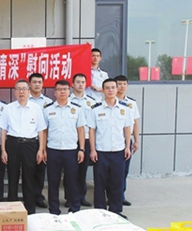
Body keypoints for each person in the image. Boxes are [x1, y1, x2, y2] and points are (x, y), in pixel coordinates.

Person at [0, 79, 47, 215]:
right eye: (18, 89)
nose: (21, 92)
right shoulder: (8, 108)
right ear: (15, 92)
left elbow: (41, 130)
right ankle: (12, 210)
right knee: (12, 177)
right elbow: (3, 130)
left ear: (29, 91)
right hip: (13, 144)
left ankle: (30, 210)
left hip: (30, 145)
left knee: (29, 178)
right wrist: (3, 150)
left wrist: (41, 149)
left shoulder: (36, 108)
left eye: (24, 89)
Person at [88, 78, 133, 217]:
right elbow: (92, 131)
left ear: (117, 89)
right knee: (100, 183)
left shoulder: (125, 109)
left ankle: (115, 211)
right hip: (101, 152)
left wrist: (127, 147)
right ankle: (100, 212)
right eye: (107, 88)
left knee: (117, 183)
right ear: (103, 90)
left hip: (119, 151)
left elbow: (127, 128)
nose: (110, 90)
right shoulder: (96, 109)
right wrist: (93, 150)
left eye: (113, 87)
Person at [43, 80, 86, 214]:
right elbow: (44, 131)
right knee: (53, 181)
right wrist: (43, 149)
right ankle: (54, 209)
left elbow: (81, 130)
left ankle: (74, 208)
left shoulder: (77, 109)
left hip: (71, 150)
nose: (62, 92)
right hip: (53, 150)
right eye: (59, 89)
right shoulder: (48, 110)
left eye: (65, 89)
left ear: (69, 91)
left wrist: (81, 149)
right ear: (55, 92)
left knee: (72, 181)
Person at [115, 74, 141, 207]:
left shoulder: (132, 103)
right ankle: (112, 195)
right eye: (119, 84)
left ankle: (121, 195)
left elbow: (135, 123)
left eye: (124, 84)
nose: (122, 86)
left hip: (126, 140)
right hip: (111, 141)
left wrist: (136, 140)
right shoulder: (108, 101)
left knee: (124, 170)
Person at [70, 73, 96, 207]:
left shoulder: (91, 102)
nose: (80, 85)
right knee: (70, 171)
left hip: (85, 139)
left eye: (83, 82)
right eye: (78, 82)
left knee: (82, 170)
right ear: (72, 84)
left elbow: (93, 124)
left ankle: (81, 196)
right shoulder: (67, 99)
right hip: (70, 140)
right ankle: (70, 198)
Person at [28, 73, 52, 209]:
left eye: (39, 82)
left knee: (40, 170)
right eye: (34, 82)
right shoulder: (25, 99)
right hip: (29, 141)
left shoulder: (48, 102)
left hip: (43, 140)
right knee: (28, 170)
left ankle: (38, 196)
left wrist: (44, 146)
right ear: (29, 84)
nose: (37, 84)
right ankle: (28, 196)